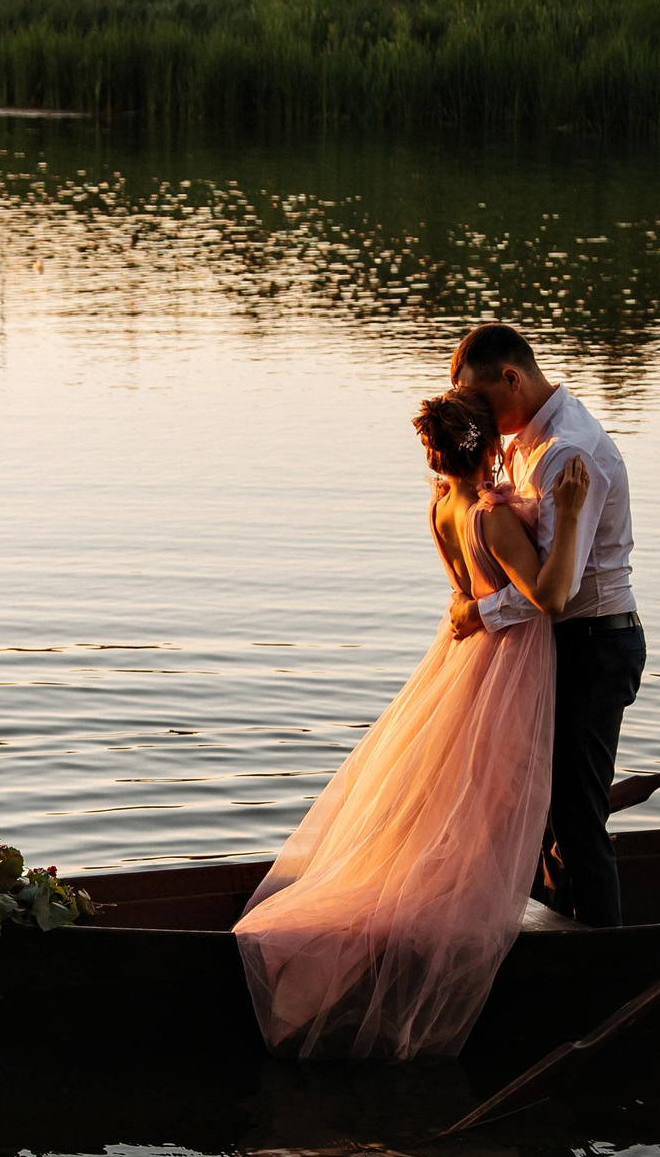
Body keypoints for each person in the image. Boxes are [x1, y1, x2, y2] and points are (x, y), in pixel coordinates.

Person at [235, 393, 593, 1060]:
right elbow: (547, 594)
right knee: (493, 798)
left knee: (446, 792)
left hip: (461, 655)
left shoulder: (440, 506)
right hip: (506, 667)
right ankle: (464, 938)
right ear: (488, 448)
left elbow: (471, 588)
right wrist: (568, 513)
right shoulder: (491, 515)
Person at [443, 324, 643, 928]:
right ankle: (558, 930)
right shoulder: (521, 443)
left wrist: (479, 612)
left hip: (595, 643)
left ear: (513, 377)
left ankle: (603, 957)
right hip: (561, 646)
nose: (477, 415)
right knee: (547, 810)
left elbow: (557, 590)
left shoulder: (565, 451)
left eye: (482, 400)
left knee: (577, 814)